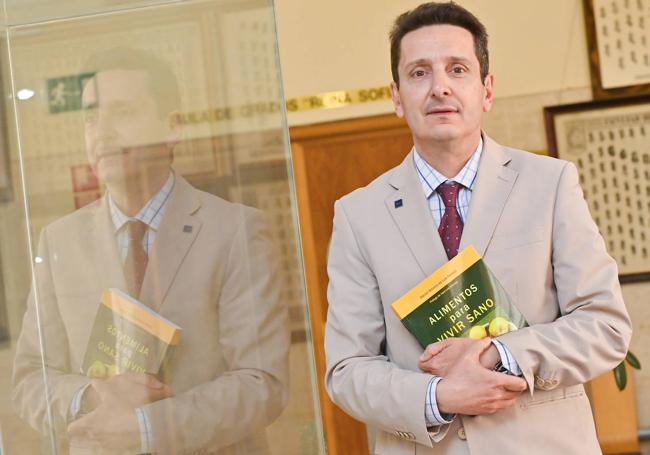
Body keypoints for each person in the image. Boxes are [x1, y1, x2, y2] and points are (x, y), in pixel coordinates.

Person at [324, 3, 632, 454]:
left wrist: (497, 354)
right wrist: (437, 396)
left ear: (486, 90)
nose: (440, 87)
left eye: (458, 69)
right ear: (396, 96)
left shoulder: (550, 184)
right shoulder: (358, 215)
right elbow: (347, 370)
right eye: (419, 73)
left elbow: (605, 326)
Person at [12, 48, 289, 454]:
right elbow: (29, 380)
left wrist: (147, 427)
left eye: (122, 113)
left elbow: (262, 383)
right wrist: (92, 395)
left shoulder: (235, 231)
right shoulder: (59, 242)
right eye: (91, 117)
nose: (101, 132)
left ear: (172, 127)